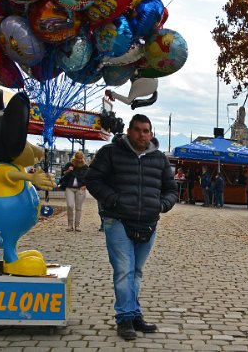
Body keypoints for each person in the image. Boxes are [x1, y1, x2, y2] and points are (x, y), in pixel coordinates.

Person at [86, 114, 176, 340]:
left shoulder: (160, 159)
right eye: (137, 130)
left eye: (146, 131)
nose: (142, 135)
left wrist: (161, 205)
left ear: (151, 134)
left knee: (136, 271)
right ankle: (124, 318)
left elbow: (171, 189)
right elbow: (93, 180)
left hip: (148, 222)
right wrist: (113, 200)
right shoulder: (110, 152)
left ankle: (134, 314)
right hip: (118, 220)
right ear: (129, 131)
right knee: (124, 270)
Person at [59, 151, 88, 232]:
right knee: (70, 205)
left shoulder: (85, 166)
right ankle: (70, 225)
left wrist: (86, 185)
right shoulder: (70, 164)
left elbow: (89, 177)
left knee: (78, 208)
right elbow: (63, 173)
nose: (80, 160)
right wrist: (68, 170)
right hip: (69, 187)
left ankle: (77, 225)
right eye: (78, 158)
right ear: (75, 158)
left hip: (80, 188)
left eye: (81, 158)